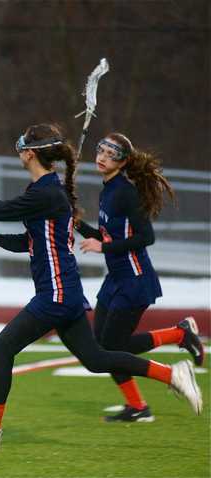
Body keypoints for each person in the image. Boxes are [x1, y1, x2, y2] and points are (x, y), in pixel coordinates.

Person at [0, 124, 202, 449]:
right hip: (63, 292)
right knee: (96, 359)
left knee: (0, 349)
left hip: (55, 295)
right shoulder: (45, 189)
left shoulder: (47, 192)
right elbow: (32, 241)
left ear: (29, 153)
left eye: (22, 147)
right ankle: (173, 375)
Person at [76, 133, 204, 422]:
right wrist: (78, 225)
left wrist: (103, 247)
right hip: (116, 279)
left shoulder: (124, 191)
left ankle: (179, 335)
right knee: (103, 347)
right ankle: (137, 407)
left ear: (122, 162)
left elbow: (146, 237)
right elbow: (107, 235)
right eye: (101, 151)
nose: (103, 157)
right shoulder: (107, 189)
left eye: (111, 154)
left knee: (113, 349)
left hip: (135, 279)